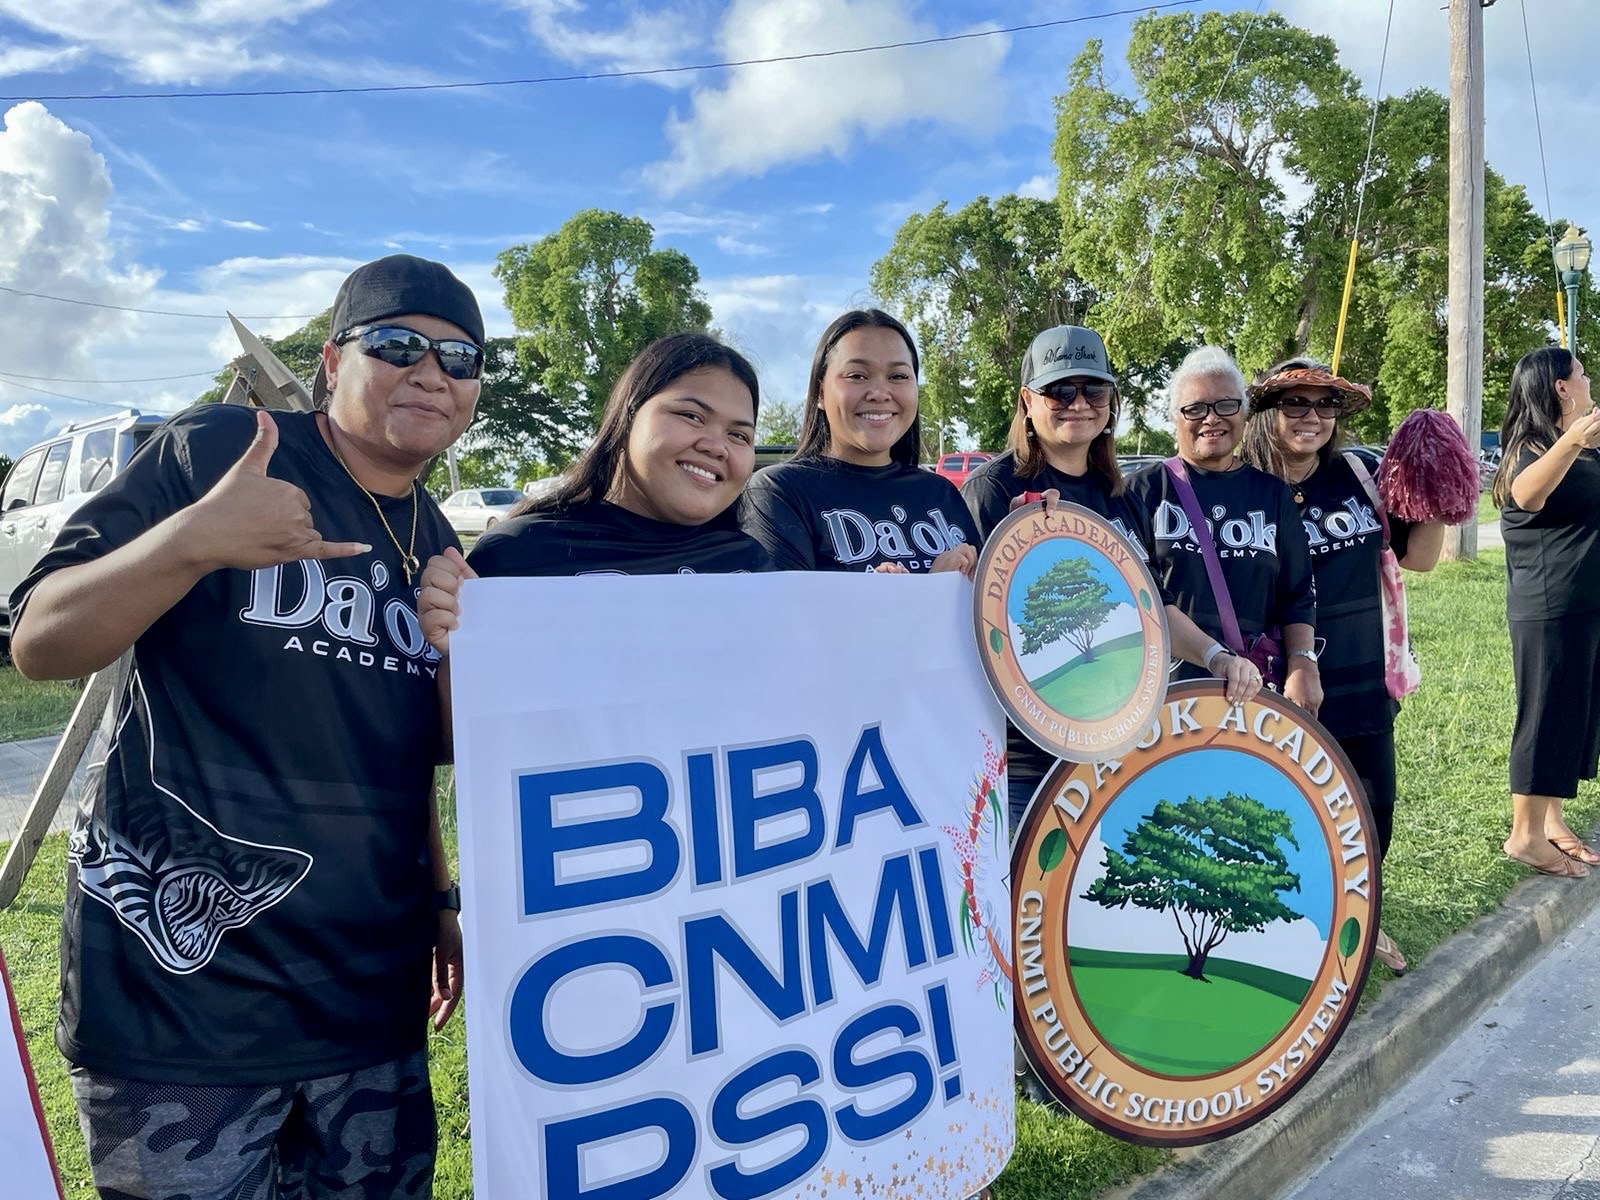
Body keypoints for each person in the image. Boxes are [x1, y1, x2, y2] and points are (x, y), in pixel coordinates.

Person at [8, 254, 481, 1199]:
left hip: (368, 1005)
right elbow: (42, 641)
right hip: (180, 1012)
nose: (433, 372)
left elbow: (399, 761)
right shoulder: (222, 448)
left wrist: (440, 902)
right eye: (399, 344)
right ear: (331, 362)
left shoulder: (440, 542)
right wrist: (191, 542)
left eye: (462, 358)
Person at [962, 324, 1262, 821]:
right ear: (1026, 402)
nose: (1078, 402)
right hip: (1020, 757)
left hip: (1112, 744)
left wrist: (1215, 657)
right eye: (1059, 389)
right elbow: (968, 614)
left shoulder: (1119, 495)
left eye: (1093, 388)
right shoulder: (992, 490)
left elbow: (1152, 609)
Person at [1240, 358, 1446, 972]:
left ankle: (1361, 920)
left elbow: (1421, 558)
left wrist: (1436, 488)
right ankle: (1293, 933)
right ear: (1267, 414)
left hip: (1360, 676)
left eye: (1325, 406)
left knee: (1371, 806)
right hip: (1279, 681)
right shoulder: (1245, 487)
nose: (1311, 417)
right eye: (1295, 404)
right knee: (1286, 810)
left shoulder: (1362, 475)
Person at [418, 333, 770, 655]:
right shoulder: (520, 554)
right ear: (628, 416)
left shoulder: (757, 571)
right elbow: (475, 721)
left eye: (739, 436)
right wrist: (462, 655)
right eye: (691, 416)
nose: (716, 446)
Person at [1126, 346, 1320, 714]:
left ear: (1245, 416)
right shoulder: (1143, 491)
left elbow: (1297, 594)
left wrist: (1303, 661)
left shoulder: (1272, 494)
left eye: (1226, 405)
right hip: (1162, 694)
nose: (1211, 418)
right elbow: (1137, 596)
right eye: (1195, 408)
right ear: (1175, 418)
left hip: (1251, 691)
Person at [739, 309, 980, 576]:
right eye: (857, 375)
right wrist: (928, 591)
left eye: (898, 376)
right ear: (820, 393)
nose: (879, 393)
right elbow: (785, 613)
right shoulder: (778, 492)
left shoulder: (941, 494)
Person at [1494, 346, 1600, 879]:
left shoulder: (1578, 446)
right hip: (1549, 604)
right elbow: (1524, 495)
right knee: (1543, 714)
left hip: (1583, 603)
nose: (1586, 381)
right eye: (1580, 374)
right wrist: (1575, 439)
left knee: (1571, 715)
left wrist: (1584, 441)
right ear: (1560, 387)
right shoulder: (1529, 449)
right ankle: (1524, 835)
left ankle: (1552, 820)